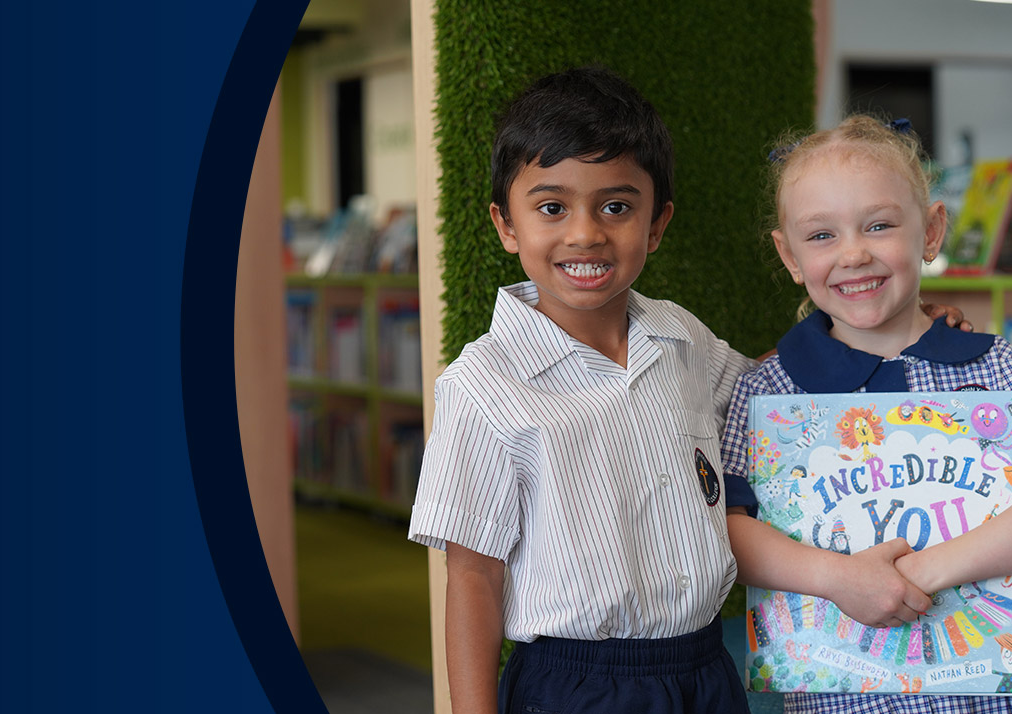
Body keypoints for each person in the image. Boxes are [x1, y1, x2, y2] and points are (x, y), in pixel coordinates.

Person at [405, 65, 968, 714]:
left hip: (703, 668)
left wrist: (908, 329)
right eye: (552, 207)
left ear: (657, 224)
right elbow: (473, 577)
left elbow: (771, 389)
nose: (586, 233)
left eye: (616, 206)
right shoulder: (481, 387)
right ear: (507, 225)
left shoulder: (679, 337)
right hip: (576, 685)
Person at [721, 115, 1012, 713]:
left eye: (880, 225)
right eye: (821, 236)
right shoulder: (767, 392)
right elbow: (730, 534)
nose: (854, 253)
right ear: (788, 255)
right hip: (841, 695)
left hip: (998, 696)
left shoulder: (996, 369)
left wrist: (920, 571)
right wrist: (841, 579)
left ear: (931, 231)